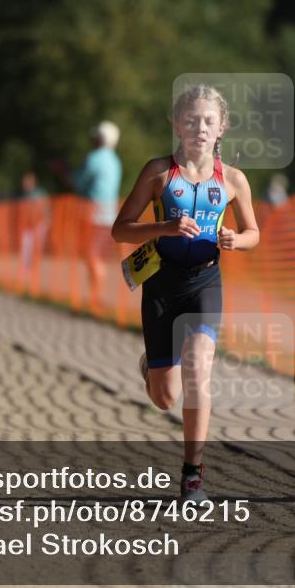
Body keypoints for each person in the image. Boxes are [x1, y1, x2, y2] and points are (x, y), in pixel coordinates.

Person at [111, 85, 260, 502]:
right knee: (165, 397)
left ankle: (193, 475)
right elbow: (120, 229)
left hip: (204, 282)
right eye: (191, 120)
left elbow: (254, 233)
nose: (200, 128)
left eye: (209, 121)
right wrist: (163, 228)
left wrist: (235, 239)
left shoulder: (232, 179)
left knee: (198, 368)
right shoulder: (159, 172)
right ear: (176, 124)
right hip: (161, 283)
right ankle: (151, 368)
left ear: (222, 128)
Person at [74, 121, 123, 312]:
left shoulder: (94, 158)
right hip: (109, 216)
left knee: (92, 255)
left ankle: (96, 297)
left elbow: (79, 182)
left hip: (92, 215)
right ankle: (97, 296)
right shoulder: (115, 161)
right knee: (99, 257)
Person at [17, 171, 50, 286]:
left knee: (34, 250)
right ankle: (25, 272)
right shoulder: (25, 195)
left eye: (27, 182)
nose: (25, 184)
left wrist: (45, 222)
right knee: (26, 248)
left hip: (38, 226)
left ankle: (33, 272)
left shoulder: (38, 194)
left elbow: (44, 210)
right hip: (29, 227)